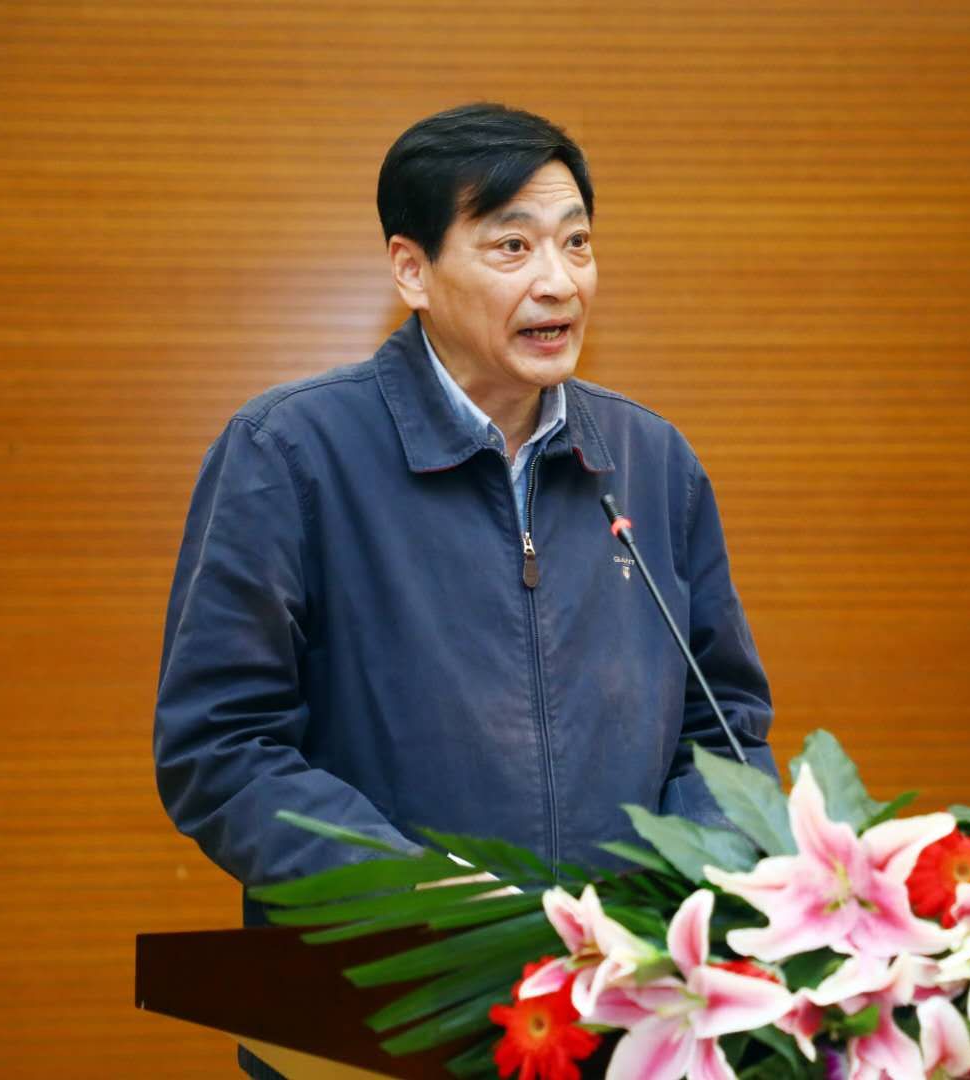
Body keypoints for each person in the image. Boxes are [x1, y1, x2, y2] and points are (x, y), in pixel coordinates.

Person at [152, 104, 778, 1072]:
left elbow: (725, 729)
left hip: (618, 1010)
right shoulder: (290, 454)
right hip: (376, 1011)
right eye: (512, 246)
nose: (558, 280)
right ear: (412, 270)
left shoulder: (650, 461)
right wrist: (423, 907)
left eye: (576, 242)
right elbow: (220, 747)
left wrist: (684, 896)